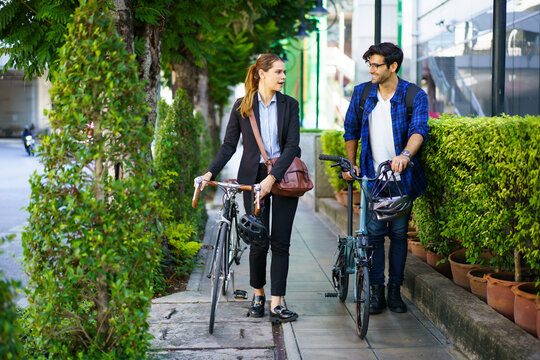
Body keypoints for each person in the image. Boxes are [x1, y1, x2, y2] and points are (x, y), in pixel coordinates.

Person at [196, 53, 300, 323]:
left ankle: (277, 303)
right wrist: (209, 173)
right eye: (278, 72)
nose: (283, 77)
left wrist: (271, 178)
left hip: (284, 178)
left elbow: (292, 147)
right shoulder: (242, 106)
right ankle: (258, 295)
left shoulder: (290, 105)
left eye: (284, 72)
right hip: (251, 179)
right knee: (258, 240)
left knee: (281, 242)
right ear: (261, 74)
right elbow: (229, 146)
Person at [343, 42, 429, 314]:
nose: (371, 70)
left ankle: (395, 292)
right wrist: (351, 162)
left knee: (400, 234)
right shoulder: (362, 93)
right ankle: (377, 292)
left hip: (402, 178)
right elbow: (351, 129)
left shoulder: (414, 95)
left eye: (376, 65)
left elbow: (419, 130)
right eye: (369, 64)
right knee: (376, 236)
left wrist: (405, 155)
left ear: (393, 67)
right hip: (373, 177)